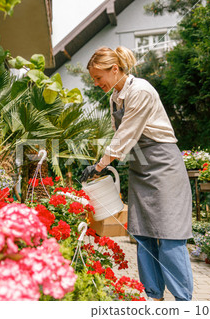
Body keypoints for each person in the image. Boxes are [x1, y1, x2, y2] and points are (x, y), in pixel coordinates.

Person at [80, 46, 193, 301]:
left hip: (163, 165)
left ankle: (184, 301)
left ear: (115, 69)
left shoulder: (140, 90)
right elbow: (120, 137)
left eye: (99, 77)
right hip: (140, 166)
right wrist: (109, 166)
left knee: (169, 234)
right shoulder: (115, 97)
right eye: (94, 79)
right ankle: (153, 295)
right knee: (142, 234)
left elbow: (125, 135)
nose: (97, 83)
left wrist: (99, 166)